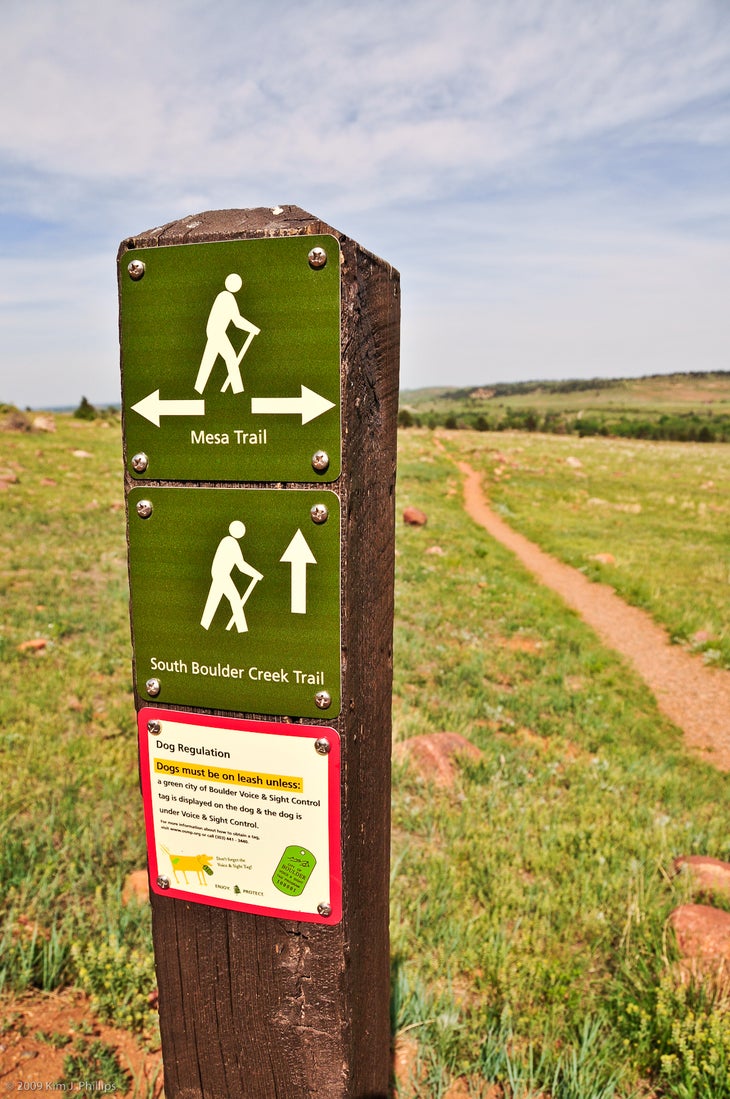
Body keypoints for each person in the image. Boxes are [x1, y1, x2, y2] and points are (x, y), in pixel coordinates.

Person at [194, 274, 260, 395]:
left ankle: (198, 388)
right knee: (231, 357)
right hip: (217, 332)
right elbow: (237, 321)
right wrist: (254, 329)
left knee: (208, 359)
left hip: (214, 331)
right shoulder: (227, 297)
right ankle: (238, 390)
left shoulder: (223, 296)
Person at [200, 521, 263, 633]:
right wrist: (256, 574)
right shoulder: (231, 543)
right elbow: (241, 565)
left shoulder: (226, 540)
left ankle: (204, 625)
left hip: (218, 573)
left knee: (213, 599)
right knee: (235, 598)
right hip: (222, 575)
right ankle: (242, 629)